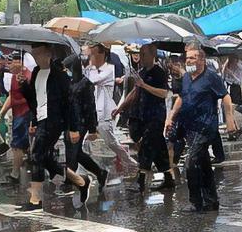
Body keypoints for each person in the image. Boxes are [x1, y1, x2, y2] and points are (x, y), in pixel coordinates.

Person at [165, 43, 237, 212]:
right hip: (190, 126)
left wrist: (229, 119)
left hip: (206, 126)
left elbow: (225, 97)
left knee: (191, 163)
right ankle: (212, 201)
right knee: (203, 164)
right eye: (187, 57)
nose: (188, 60)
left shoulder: (211, 77)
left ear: (202, 59)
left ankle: (196, 202)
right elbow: (182, 98)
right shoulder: (186, 78)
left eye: (192, 57)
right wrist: (171, 117)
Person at [22, 42, 90, 212]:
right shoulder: (37, 72)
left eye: (38, 53)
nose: (35, 57)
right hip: (41, 118)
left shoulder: (59, 76)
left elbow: (70, 103)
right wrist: (24, 86)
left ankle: (35, 199)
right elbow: (33, 99)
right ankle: (80, 181)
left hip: (54, 120)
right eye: (33, 53)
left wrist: (73, 128)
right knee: (45, 158)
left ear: (48, 53)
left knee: (36, 154)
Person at [115, 43, 173, 193]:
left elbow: (164, 93)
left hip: (156, 116)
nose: (141, 58)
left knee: (147, 146)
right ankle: (168, 178)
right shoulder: (141, 72)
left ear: (152, 55)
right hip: (143, 115)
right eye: (140, 54)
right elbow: (135, 92)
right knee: (159, 148)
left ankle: (140, 181)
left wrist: (145, 85)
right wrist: (121, 107)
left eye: (144, 55)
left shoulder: (159, 72)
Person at [84, 41, 138, 176]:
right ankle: (86, 171)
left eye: (94, 54)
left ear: (102, 54)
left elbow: (91, 80)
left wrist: (88, 66)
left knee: (111, 142)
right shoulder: (92, 69)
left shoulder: (109, 69)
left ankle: (131, 163)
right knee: (82, 142)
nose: (92, 57)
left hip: (104, 112)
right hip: (92, 111)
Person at [64, 53, 110, 189]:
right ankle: (100, 172)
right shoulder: (68, 83)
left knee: (73, 151)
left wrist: (92, 129)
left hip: (81, 123)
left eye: (68, 68)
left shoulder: (86, 84)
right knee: (75, 153)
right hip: (69, 121)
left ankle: (70, 181)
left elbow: (91, 107)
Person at [0, 53, 32, 184]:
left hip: (25, 113)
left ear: (20, 62)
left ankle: (15, 174)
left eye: (11, 62)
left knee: (17, 145)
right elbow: (11, 96)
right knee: (20, 144)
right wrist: (2, 113)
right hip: (17, 113)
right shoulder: (13, 78)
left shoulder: (27, 76)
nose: (8, 65)